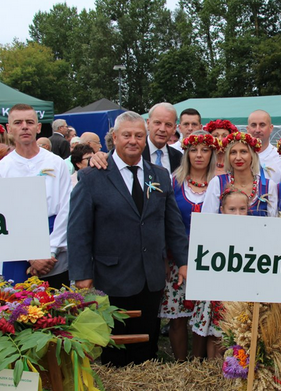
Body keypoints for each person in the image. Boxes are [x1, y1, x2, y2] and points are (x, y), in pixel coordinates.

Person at [68, 111, 189, 367]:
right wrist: (81, 275)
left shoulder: (160, 175)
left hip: (151, 275)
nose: (133, 141)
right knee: (115, 346)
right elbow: (78, 231)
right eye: (126, 135)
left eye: (138, 135)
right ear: (114, 137)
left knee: (148, 343)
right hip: (112, 276)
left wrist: (184, 261)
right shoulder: (91, 177)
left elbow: (173, 224)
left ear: (145, 139)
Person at [159, 130, 218, 362]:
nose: (199, 155)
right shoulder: (174, 181)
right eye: (194, 150)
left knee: (204, 312)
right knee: (177, 315)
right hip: (178, 258)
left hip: (210, 259)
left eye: (205, 150)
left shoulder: (219, 182)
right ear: (186, 153)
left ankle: (198, 361)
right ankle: (181, 363)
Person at [0, 104, 71, 288]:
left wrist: (50, 251)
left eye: (29, 122)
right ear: (9, 129)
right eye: (18, 122)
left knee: (56, 310)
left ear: (38, 127)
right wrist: (31, 255)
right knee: (18, 311)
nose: (24, 126)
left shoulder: (56, 163)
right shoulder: (3, 168)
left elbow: (66, 209)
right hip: (15, 248)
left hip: (53, 247)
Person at [190, 187, 249, 360]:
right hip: (216, 292)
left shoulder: (253, 232)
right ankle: (212, 369)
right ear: (222, 210)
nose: (237, 214)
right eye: (232, 209)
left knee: (236, 335)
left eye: (242, 209)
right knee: (215, 335)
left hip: (239, 295)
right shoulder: (212, 232)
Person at [202, 132, 278, 216]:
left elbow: (273, 223)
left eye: (243, 152)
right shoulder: (217, 183)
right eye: (233, 152)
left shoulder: (269, 186)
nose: (238, 158)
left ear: (252, 155)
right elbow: (208, 220)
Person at [247, 110, 281, 184]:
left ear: (271, 128)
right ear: (248, 129)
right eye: (253, 125)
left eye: (262, 125)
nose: (257, 130)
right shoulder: (240, 157)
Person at [143, 102, 183, 174]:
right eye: (157, 123)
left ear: (174, 129)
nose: (162, 129)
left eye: (168, 125)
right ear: (148, 124)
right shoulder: (136, 153)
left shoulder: (179, 158)